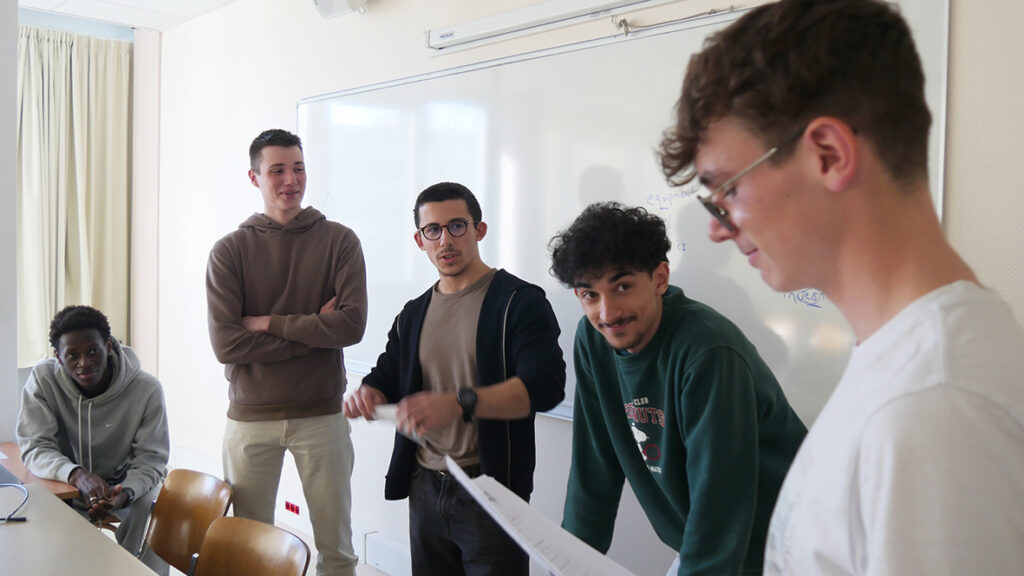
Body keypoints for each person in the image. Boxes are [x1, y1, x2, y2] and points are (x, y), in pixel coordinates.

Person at [658, 0, 1024, 574]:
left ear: (828, 155)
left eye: (727, 188)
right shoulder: (910, 360)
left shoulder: (933, 411)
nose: (716, 228)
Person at [549, 202, 806, 576]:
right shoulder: (593, 340)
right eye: (590, 294)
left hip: (785, 548)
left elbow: (719, 503)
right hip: (705, 542)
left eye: (622, 287)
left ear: (660, 278)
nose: (608, 313)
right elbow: (594, 473)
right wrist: (567, 565)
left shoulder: (707, 351)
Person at [344, 181, 565, 576]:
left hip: (492, 490)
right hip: (425, 485)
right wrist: (370, 391)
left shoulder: (519, 302)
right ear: (420, 240)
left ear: (479, 230)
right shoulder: (413, 313)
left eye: (457, 226)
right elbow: (389, 371)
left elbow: (545, 385)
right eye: (433, 230)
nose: (445, 240)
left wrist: (459, 403)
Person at [206, 128, 367, 576]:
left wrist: (268, 323)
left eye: (298, 168)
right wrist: (314, 329)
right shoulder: (229, 251)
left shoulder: (340, 241)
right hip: (249, 418)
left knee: (337, 548)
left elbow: (350, 326)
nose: (291, 180)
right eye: (277, 170)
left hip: (322, 415)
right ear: (254, 177)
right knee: (249, 548)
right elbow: (227, 343)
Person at [17, 305, 170, 575]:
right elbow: (35, 446)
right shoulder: (43, 380)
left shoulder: (147, 390)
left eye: (92, 351)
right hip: (66, 485)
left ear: (108, 346)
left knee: (157, 505)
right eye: (72, 355)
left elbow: (151, 461)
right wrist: (77, 475)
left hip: (123, 487)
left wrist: (125, 493)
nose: (84, 363)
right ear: (58, 357)